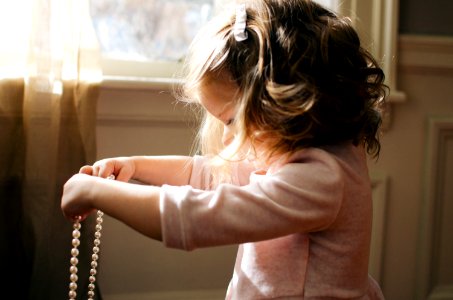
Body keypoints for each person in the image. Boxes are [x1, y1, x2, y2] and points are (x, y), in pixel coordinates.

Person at [61, 0, 387, 298]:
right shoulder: (295, 151)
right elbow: (206, 173)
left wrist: (95, 192)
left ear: (287, 103)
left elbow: (195, 217)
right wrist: (134, 166)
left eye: (232, 120)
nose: (231, 137)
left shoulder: (320, 178)